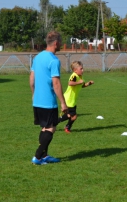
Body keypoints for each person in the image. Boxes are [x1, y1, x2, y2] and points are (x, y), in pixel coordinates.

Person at [29, 31, 68, 165]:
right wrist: (63, 102)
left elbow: (31, 80)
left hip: (37, 100)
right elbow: (56, 83)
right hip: (48, 101)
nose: (61, 45)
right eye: (61, 43)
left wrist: (34, 94)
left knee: (44, 128)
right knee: (51, 128)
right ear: (56, 43)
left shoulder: (37, 57)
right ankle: (38, 156)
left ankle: (44, 156)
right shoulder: (53, 60)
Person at [58, 61, 94, 133]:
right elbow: (70, 83)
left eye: (82, 68)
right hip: (69, 99)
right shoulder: (74, 75)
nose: (82, 70)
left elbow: (82, 85)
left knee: (69, 115)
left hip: (73, 100)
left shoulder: (80, 76)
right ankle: (65, 127)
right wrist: (78, 82)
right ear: (75, 70)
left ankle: (56, 123)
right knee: (73, 116)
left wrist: (88, 84)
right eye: (81, 69)